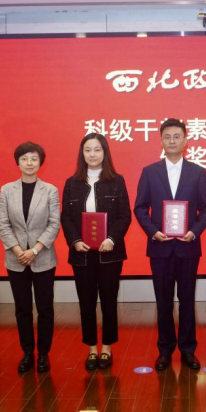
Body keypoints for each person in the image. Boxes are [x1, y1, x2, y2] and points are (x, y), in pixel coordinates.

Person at [133, 118, 206, 371]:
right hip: (160, 247)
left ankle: (188, 350)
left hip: (188, 247)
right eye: (167, 137)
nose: (172, 141)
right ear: (161, 141)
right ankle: (165, 350)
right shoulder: (149, 172)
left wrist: (194, 232)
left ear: (185, 140)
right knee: (163, 301)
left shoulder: (198, 172)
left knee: (187, 300)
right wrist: (153, 232)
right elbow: (140, 208)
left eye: (177, 136)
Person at [61, 133, 131, 371]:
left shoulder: (116, 181)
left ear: (105, 153)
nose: (92, 154)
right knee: (86, 302)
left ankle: (107, 348)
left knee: (109, 301)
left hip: (109, 252)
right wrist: (75, 241)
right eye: (88, 150)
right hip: (81, 254)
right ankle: (92, 348)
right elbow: (66, 217)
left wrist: (112, 239)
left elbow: (124, 215)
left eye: (97, 150)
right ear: (82, 154)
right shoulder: (72, 183)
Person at [0, 142, 60, 374]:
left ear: (40, 162)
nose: (29, 163)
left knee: (45, 308)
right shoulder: (7, 190)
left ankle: (43, 353)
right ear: (18, 162)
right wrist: (17, 250)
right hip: (16, 260)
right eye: (24, 159)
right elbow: (3, 224)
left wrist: (34, 250)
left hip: (43, 258)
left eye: (34, 158)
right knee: (22, 309)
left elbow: (54, 224)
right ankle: (27, 353)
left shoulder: (50, 190)